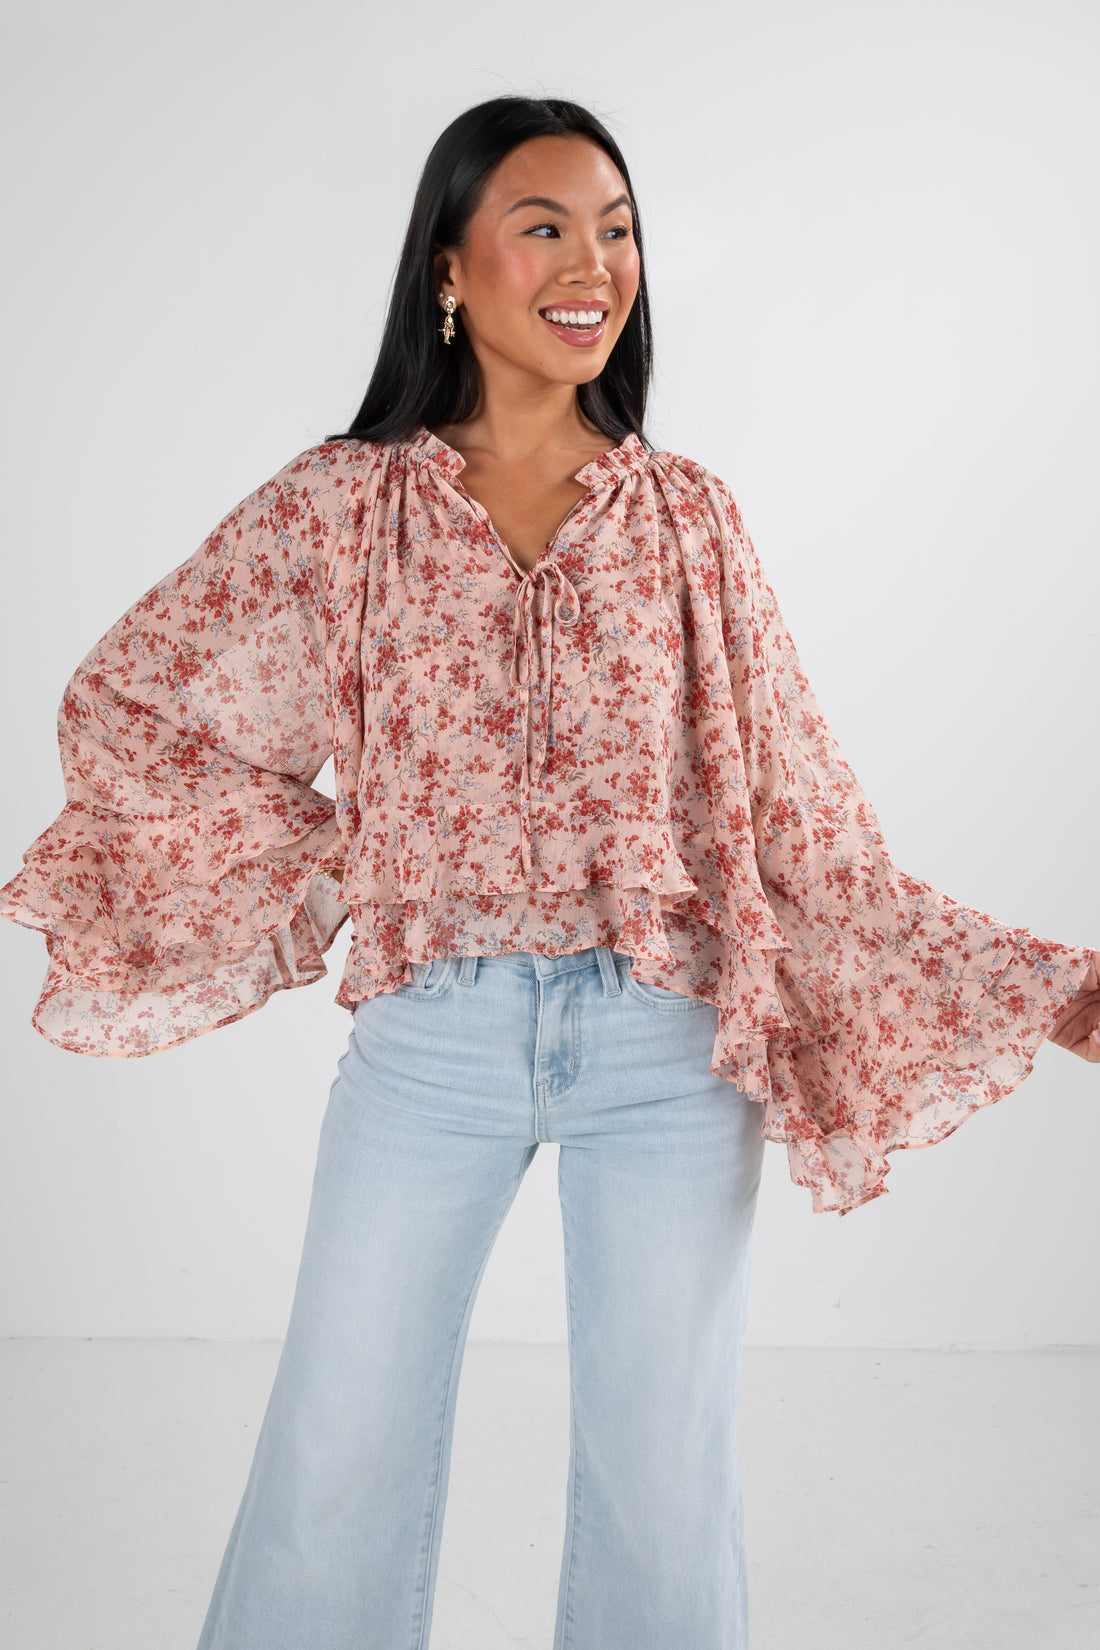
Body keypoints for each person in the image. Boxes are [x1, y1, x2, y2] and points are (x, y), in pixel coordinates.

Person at [2, 94, 1097, 1650]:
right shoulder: (341, 509)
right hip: (428, 1037)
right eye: (546, 227)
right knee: (337, 1445)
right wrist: (353, 855)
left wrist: (1048, 987)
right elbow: (140, 703)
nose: (595, 265)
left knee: (663, 1476)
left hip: (666, 1041)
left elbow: (804, 836)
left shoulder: (689, 523)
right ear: (450, 268)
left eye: (618, 228)